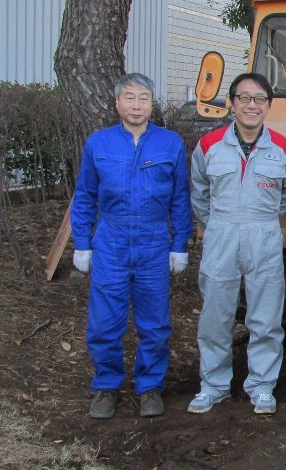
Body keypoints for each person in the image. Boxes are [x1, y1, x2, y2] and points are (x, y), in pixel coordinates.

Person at [71, 73, 194, 419]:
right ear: (117, 103)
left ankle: (150, 387)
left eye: (143, 98)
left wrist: (178, 244)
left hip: (153, 244)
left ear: (152, 103)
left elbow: (180, 199)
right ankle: (106, 386)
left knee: (154, 323)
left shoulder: (169, 144)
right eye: (129, 97)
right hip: (110, 242)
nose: (136, 105)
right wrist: (82, 243)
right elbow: (84, 197)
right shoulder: (99, 143)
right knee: (104, 322)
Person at [187, 72, 286, 415]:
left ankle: (262, 386)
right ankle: (213, 385)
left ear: (268, 105)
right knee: (215, 316)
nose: (252, 105)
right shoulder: (208, 146)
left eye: (259, 99)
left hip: (264, 235)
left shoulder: (285, 149)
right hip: (221, 233)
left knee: (265, 317)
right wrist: (218, 225)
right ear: (232, 103)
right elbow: (199, 192)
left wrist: (261, 220)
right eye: (244, 98)